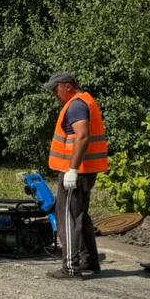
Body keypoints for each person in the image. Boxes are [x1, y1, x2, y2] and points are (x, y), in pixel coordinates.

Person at [43, 72, 110, 280]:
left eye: (56, 89)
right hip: (86, 170)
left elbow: (82, 136)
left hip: (76, 172)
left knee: (67, 218)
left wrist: (72, 169)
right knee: (81, 216)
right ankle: (89, 260)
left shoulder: (76, 105)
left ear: (67, 86)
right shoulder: (85, 102)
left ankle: (71, 268)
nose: (55, 94)